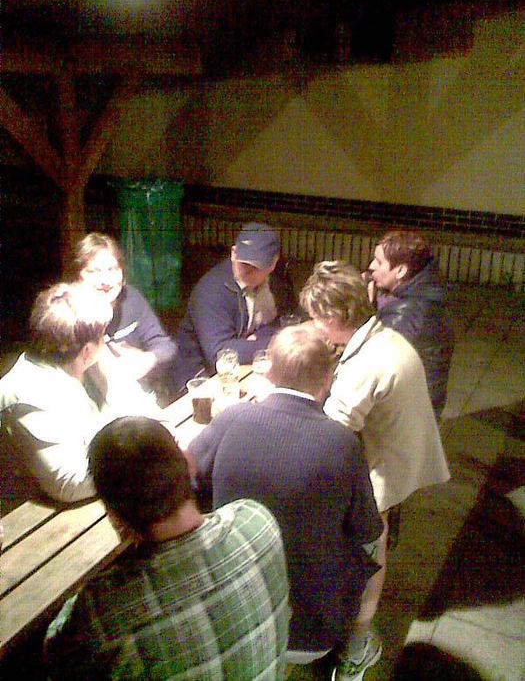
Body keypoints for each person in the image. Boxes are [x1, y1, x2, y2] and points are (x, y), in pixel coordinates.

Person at [188, 324, 383, 677]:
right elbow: (367, 530)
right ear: (327, 379)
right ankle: (354, 653)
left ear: (268, 372)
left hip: (232, 617)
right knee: (377, 541)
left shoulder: (231, 418)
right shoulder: (342, 442)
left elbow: (187, 477)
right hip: (309, 634)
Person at [44, 416, 290, 680]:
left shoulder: (100, 613)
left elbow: (54, 652)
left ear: (113, 516)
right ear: (188, 463)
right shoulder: (257, 522)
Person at [300, 261, 450, 681]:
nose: (314, 326)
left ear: (334, 317)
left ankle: (357, 644)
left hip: (384, 469)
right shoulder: (385, 335)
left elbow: (329, 433)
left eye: (316, 318)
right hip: (404, 452)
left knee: (370, 550)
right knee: (372, 541)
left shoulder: (366, 365)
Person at [0, 282, 166, 503]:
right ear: (87, 350)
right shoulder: (24, 395)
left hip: (116, 485)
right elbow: (70, 482)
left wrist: (159, 438)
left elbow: (142, 407)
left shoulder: (89, 357)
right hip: (52, 516)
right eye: (102, 335)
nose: (105, 340)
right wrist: (146, 454)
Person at [173, 222, 282, 392]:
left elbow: (281, 321)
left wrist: (256, 340)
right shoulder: (211, 291)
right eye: (244, 262)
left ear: (273, 264)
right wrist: (279, 343)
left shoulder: (277, 282)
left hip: (245, 368)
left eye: (256, 266)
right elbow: (220, 353)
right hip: (199, 378)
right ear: (233, 253)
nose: (248, 270)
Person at [75, 232, 178, 403]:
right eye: (94, 271)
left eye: (112, 269)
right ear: (78, 276)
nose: (105, 281)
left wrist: (147, 360)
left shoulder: (131, 298)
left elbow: (166, 346)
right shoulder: (69, 313)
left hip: (141, 398)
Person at [365, 230, 454, 418]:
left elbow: (370, 358)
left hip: (410, 412)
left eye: (379, 262)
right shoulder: (425, 288)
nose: (372, 266)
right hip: (422, 403)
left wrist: (366, 310)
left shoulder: (407, 316)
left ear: (401, 271)